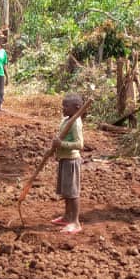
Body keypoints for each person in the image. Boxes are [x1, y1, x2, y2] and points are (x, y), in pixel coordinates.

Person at [50, 93, 84, 234]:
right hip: (64, 159)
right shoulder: (66, 119)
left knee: (72, 193)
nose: (63, 108)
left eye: (66, 106)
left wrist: (61, 143)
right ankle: (67, 216)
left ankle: (75, 222)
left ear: (76, 108)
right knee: (66, 191)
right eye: (62, 105)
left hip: (71, 161)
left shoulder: (76, 123)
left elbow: (80, 144)